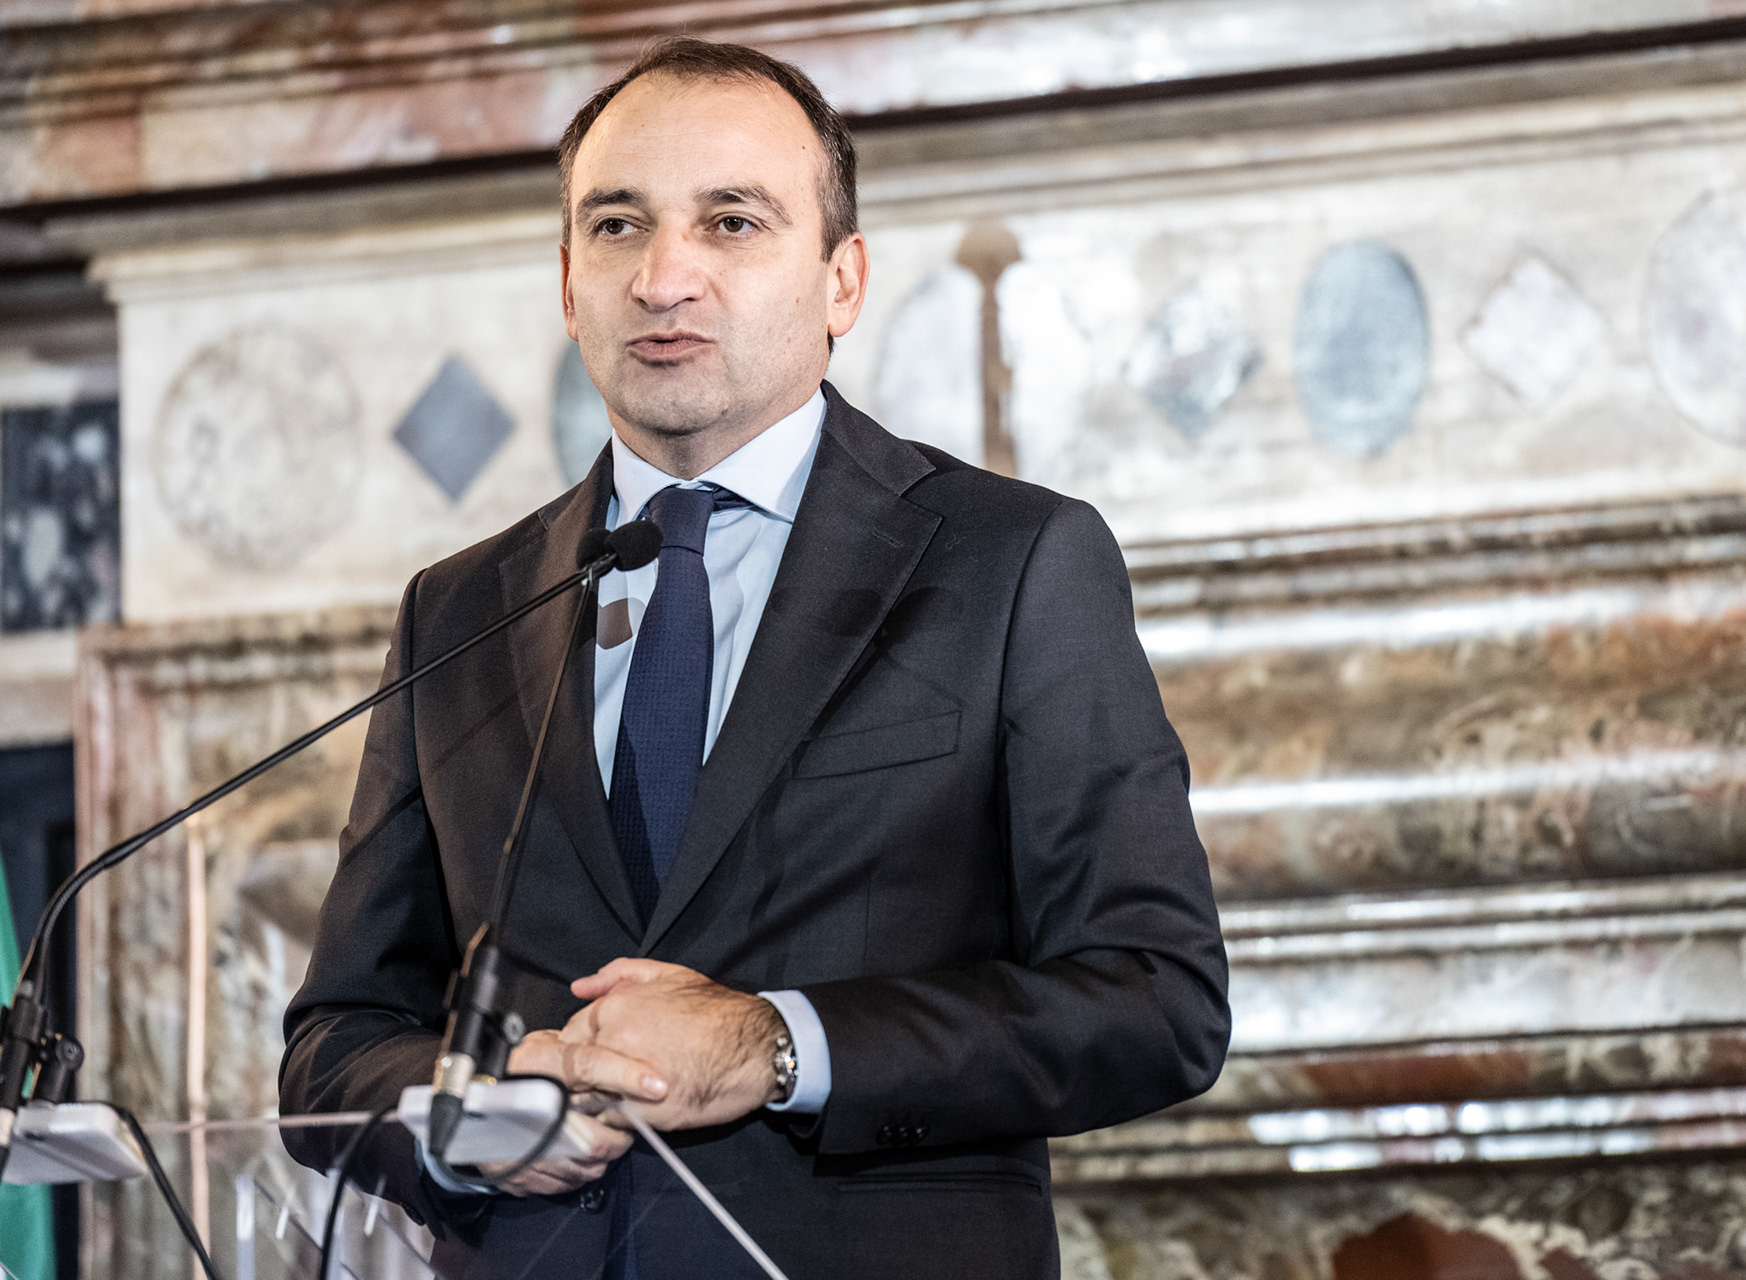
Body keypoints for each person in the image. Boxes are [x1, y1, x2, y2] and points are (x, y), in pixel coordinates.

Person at [280, 36, 1229, 1280]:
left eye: (731, 222)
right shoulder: (459, 610)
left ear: (842, 280)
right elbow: (335, 1045)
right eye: (617, 226)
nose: (664, 278)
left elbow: (1157, 997)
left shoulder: (1012, 561)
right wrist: (474, 1110)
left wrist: (780, 1044)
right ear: (568, 282)